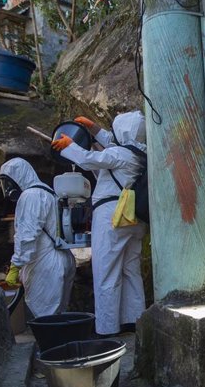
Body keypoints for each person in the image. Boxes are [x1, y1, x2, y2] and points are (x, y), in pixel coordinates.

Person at [51, 111, 147, 337]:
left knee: (105, 270)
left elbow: (88, 159)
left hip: (112, 216)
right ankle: (134, 320)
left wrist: (69, 146)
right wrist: (94, 129)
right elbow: (116, 143)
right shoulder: (141, 153)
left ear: (122, 132)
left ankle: (106, 328)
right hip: (134, 218)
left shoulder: (119, 154)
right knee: (130, 270)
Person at [0, 157, 76, 318]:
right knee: (58, 316)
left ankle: (50, 344)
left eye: (8, 183)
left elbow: (27, 235)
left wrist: (16, 265)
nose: (7, 189)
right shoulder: (48, 191)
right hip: (61, 259)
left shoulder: (30, 196)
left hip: (45, 265)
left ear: (19, 177)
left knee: (46, 318)